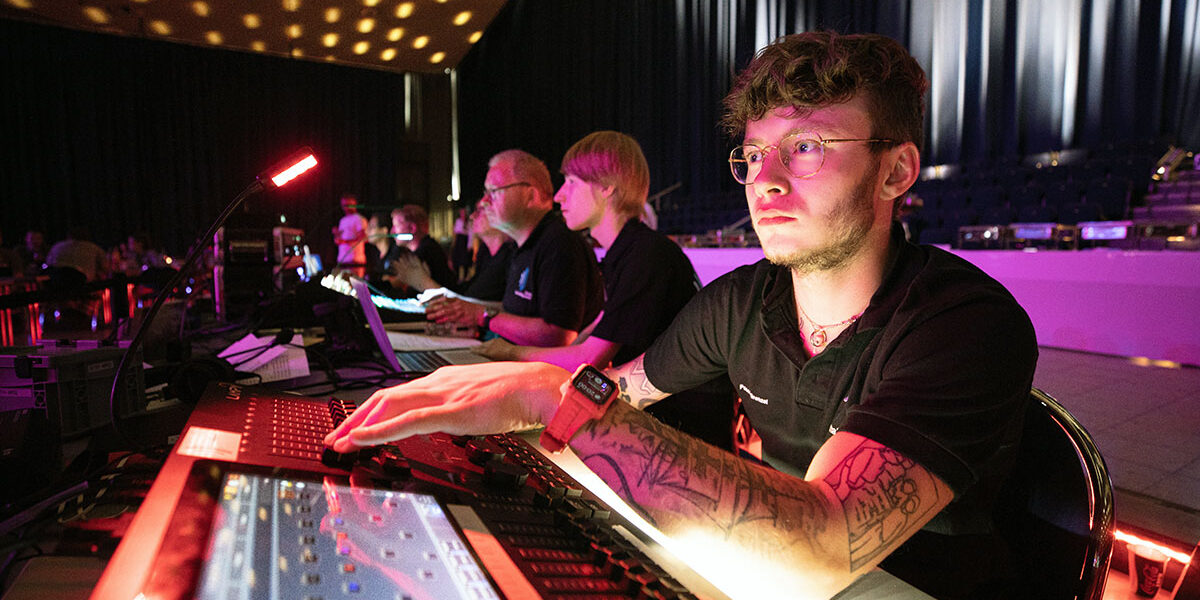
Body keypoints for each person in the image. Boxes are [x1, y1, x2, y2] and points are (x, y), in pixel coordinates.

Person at [327, 31, 1037, 600]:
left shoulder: (966, 324)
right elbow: (620, 387)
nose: (766, 180)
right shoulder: (742, 300)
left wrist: (551, 398)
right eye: (754, 153)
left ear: (896, 171)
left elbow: (824, 544)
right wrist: (539, 398)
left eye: (807, 147)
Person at [471, 131, 734, 447]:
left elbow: (589, 358)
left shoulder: (646, 255)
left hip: (687, 439)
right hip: (660, 426)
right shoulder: (626, 252)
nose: (559, 196)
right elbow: (589, 338)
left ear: (607, 186)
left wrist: (511, 353)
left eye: (571, 182)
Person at [423, 149, 603, 347]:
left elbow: (558, 335)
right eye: (485, 193)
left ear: (531, 195)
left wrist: (482, 316)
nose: (484, 202)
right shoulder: (522, 247)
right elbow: (518, 313)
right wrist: (468, 314)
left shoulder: (559, 244)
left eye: (494, 191)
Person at [387, 198, 515, 302]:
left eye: (481, 210)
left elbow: (472, 304)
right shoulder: (486, 253)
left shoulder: (507, 258)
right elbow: (469, 295)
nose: (472, 216)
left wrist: (424, 283)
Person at [381, 204, 458, 295]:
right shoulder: (428, 246)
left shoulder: (426, 251)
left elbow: (399, 283)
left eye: (396, 226)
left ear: (412, 228)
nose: (392, 231)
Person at [332, 193, 368, 277]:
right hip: (342, 260)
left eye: (348, 204)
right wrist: (337, 235)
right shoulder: (342, 220)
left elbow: (363, 238)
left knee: (355, 284)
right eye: (343, 205)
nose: (345, 207)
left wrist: (344, 241)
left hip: (355, 261)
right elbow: (339, 240)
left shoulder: (359, 218)